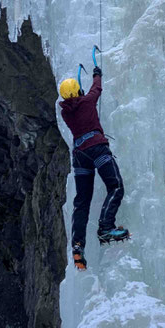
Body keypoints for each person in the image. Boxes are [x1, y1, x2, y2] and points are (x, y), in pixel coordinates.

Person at [59, 65, 128, 271]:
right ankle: (106, 227)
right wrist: (97, 74)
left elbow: (79, 100)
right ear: (78, 92)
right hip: (96, 148)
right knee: (115, 186)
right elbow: (96, 89)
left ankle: (77, 246)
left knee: (82, 201)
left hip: (80, 155)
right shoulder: (87, 101)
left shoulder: (66, 114)